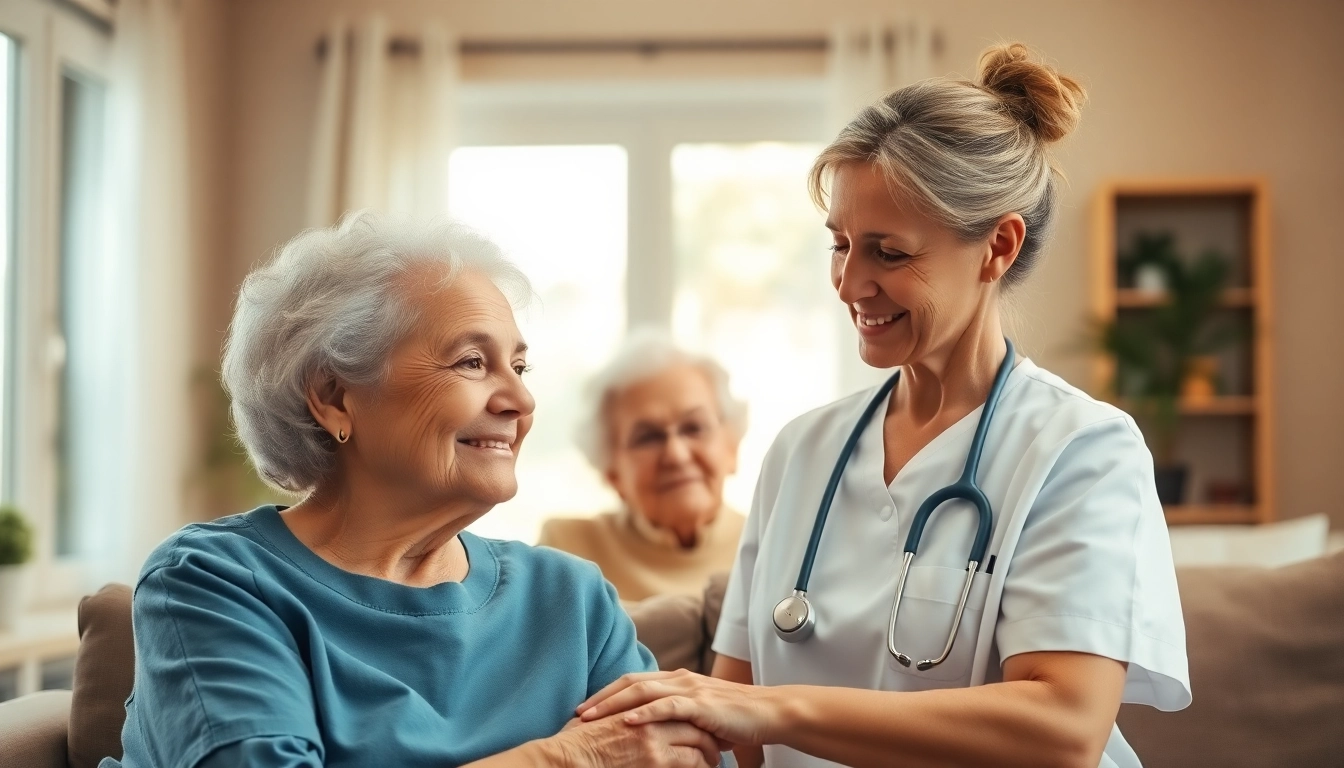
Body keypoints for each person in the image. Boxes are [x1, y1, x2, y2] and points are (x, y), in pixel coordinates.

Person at [574, 43, 1190, 768]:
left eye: (888, 254)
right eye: (840, 246)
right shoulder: (802, 452)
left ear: (997, 247)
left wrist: (773, 709)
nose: (849, 283)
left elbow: (1063, 727)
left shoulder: (1082, 450)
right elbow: (731, 716)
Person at [104, 213, 720, 768]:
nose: (521, 400)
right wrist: (569, 759)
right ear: (334, 396)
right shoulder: (215, 582)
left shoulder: (572, 602)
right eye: (471, 362)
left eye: (520, 366)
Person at [538, 330, 746, 602]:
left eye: (694, 427)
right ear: (612, 472)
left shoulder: (774, 547)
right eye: (647, 437)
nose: (676, 454)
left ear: (731, 447)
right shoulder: (568, 551)